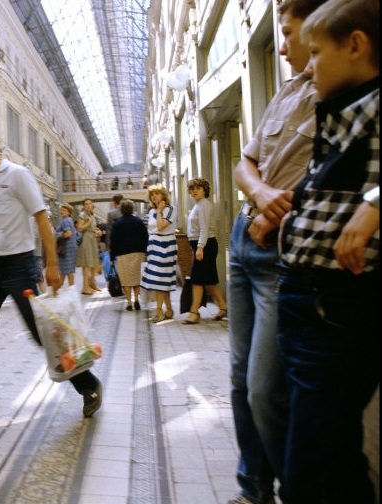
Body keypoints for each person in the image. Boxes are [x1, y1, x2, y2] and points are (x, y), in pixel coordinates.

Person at [277, 1, 379, 501]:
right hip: (305, 297)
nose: (306, 63)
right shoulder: (338, 111)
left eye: (316, 52)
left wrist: (377, 202)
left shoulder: (374, 106)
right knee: (333, 453)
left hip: (334, 304)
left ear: (356, 45)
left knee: (310, 468)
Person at [227, 1, 326, 502]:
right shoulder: (287, 91)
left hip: (280, 251)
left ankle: (297, 489)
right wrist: (261, 195)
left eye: (287, 33)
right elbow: (244, 163)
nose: (281, 45)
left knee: (266, 388)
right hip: (243, 239)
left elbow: (337, 176)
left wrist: (277, 209)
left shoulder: (343, 91)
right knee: (240, 381)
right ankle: (253, 486)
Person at [0, 125, 103, 421]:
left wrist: (51, 265)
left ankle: (88, 385)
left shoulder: (16, 175)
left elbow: (42, 220)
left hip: (19, 266)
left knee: (43, 334)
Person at [182, 178, 228, 324]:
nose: (194, 191)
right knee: (210, 280)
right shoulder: (198, 205)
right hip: (202, 246)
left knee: (197, 280)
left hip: (205, 246)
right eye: (192, 189)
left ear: (205, 190)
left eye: (198, 188)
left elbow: (204, 228)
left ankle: (194, 312)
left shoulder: (204, 205)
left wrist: (200, 247)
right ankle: (223, 307)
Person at [140, 184, 177, 322]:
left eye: (157, 193)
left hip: (166, 245)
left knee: (160, 279)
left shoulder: (171, 209)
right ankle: (169, 309)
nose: (154, 196)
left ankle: (159, 311)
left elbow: (161, 227)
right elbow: (150, 229)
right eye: (152, 194)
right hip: (154, 245)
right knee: (161, 279)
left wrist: (160, 211)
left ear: (163, 195)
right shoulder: (151, 212)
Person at [109, 200, 148, 311]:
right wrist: (145, 251)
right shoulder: (139, 222)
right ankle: (136, 299)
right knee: (136, 278)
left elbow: (113, 241)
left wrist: (112, 256)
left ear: (121, 210)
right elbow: (145, 237)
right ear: (132, 209)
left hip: (123, 255)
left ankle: (128, 302)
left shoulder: (117, 224)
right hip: (138, 253)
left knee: (126, 279)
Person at [75, 198, 102, 294]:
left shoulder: (91, 215)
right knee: (86, 264)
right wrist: (89, 223)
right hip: (86, 240)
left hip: (92, 240)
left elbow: (93, 228)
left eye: (90, 203)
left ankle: (92, 283)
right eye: (86, 204)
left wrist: (97, 231)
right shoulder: (82, 215)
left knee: (94, 263)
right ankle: (85, 287)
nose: (88, 205)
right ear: (83, 206)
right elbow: (80, 228)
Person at [55, 202, 78, 287]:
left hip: (66, 249)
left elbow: (68, 233)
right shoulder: (69, 220)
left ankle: (61, 290)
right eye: (61, 210)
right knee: (67, 271)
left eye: (64, 210)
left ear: (69, 212)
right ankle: (66, 290)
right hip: (70, 248)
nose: (62, 211)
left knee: (66, 271)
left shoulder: (65, 221)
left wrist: (56, 234)